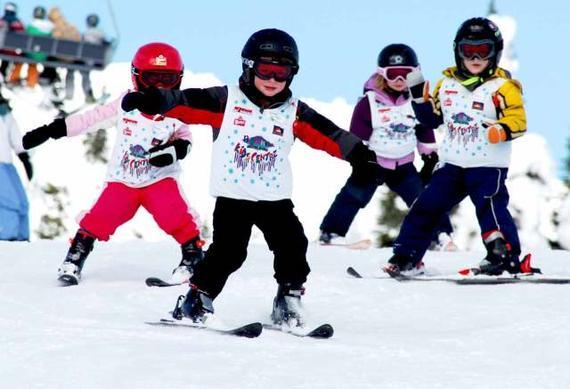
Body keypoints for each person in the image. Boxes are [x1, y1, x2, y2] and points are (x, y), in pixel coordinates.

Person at [121, 28, 379, 326]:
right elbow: (185, 102)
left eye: (281, 73)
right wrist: (152, 100)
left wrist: (360, 155)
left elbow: (329, 135)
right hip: (234, 198)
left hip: (275, 199)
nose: (272, 80)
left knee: (294, 246)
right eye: (265, 70)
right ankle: (196, 301)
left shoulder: (294, 112)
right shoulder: (225, 100)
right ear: (248, 67)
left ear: (292, 74)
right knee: (228, 254)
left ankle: (288, 300)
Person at [22, 42, 205, 285]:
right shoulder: (124, 105)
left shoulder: (178, 109)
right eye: (152, 78)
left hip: (160, 179)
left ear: (178, 79)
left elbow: (186, 139)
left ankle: (192, 256)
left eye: (167, 79)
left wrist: (174, 151)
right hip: (123, 180)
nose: (159, 86)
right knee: (100, 217)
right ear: (137, 77)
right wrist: (52, 130)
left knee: (175, 215)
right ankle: (75, 257)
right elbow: (90, 120)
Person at [384, 17, 536, 276]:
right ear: (458, 51)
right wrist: (419, 99)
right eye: (468, 50)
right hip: (452, 166)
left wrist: (503, 129)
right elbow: (432, 119)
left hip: (487, 166)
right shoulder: (447, 85)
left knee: (490, 207)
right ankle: (406, 256)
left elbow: (518, 118)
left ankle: (505, 256)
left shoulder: (504, 87)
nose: (475, 57)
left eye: (483, 50)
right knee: (426, 205)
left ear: (495, 52)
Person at [318, 44, 456, 254]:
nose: (400, 81)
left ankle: (441, 236)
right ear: (382, 74)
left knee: (424, 198)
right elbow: (357, 135)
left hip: (404, 166)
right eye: (394, 75)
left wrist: (429, 157)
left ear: (415, 74)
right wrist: (360, 159)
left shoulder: (416, 102)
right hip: (374, 163)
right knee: (354, 194)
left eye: (406, 74)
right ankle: (332, 233)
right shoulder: (369, 102)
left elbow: (424, 130)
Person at [0, 92, 33, 240]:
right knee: (9, 202)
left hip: (7, 164)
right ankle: (8, 237)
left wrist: (24, 157)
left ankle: (22, 237)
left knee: (22, 203)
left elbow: (14, 133)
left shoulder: (4, 110)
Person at [78, 13, 106, 103]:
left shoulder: (86, 34)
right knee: (85, 74)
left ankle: (88, 94)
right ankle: (90, 93)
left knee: (85, 74)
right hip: (97, 59)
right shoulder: (101, 33)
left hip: (87, 59)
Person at [25, 6, 54, 88]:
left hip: (31, 54)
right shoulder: (50, 27)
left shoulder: (31, 26)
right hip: (44, 55)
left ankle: (31, 83)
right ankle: (42, 81)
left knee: (30, 60)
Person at [0, 2, 25, 85]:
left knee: (5, 59)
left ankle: (3, 76)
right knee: (18, 58)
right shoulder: (18, 24)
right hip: (13, 51)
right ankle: (12, 79)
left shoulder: (1, 21)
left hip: (2, 50)